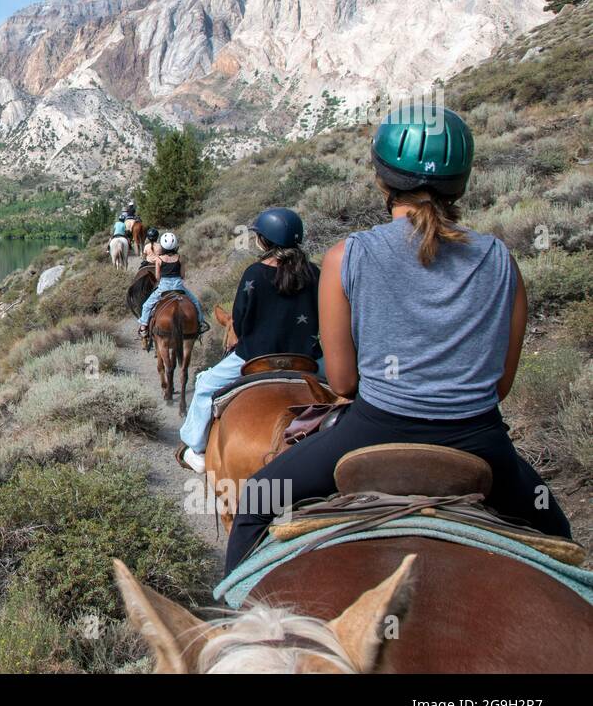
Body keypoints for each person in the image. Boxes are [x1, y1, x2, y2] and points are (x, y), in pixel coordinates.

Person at [224, 106, 571, 574]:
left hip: (373, 430)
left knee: (254, 505)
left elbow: (343, 382)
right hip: (481, 442)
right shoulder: (501, 260)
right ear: (462, 182)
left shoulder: (348, 255)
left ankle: (233, 634)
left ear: (382, 179)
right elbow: (500, 385)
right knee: (559, 537)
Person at [176, 209, 322, 474]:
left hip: (255, 357)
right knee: (348, 392)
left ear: (264, 241)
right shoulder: (314, 274)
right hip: (307, 359)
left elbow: (240, 324)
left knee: (206, 384)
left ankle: (194, 448)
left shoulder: (254, 274)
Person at [136, 231, 205, 344]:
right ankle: (201, 324)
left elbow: (158, 277)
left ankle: (143, 327)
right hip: (179, 287)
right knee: (196, 303)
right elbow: (183, 275)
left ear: (162, 245)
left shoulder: (159, 259)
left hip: (164, 288)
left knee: (147, 305)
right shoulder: (180, 258)